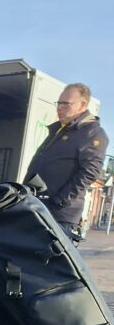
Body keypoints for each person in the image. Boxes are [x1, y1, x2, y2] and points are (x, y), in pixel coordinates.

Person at [24, 83, 108, 243]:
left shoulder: (92, 133)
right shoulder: (60, 130)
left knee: (46, 259)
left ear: (82, 105)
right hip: (38, 207)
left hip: (59, 215)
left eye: (66, 104)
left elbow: (90, 172)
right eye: (59, 103)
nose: (60, 108)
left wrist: (60, 200)